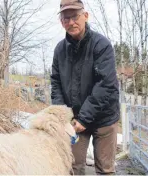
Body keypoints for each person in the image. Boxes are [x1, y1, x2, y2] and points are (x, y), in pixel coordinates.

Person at [50, 0, 120, 175]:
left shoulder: (101, 45)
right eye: (66, 18)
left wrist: (85, 118)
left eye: (75, 16)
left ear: (85, 16)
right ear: (61, 22)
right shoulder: (60, 50)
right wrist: (62, 114)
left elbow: (106, 84)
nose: (71, 22)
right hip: (74, 119)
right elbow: (56, 82)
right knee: (72, 168)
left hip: (104, 116)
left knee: (105, 169)